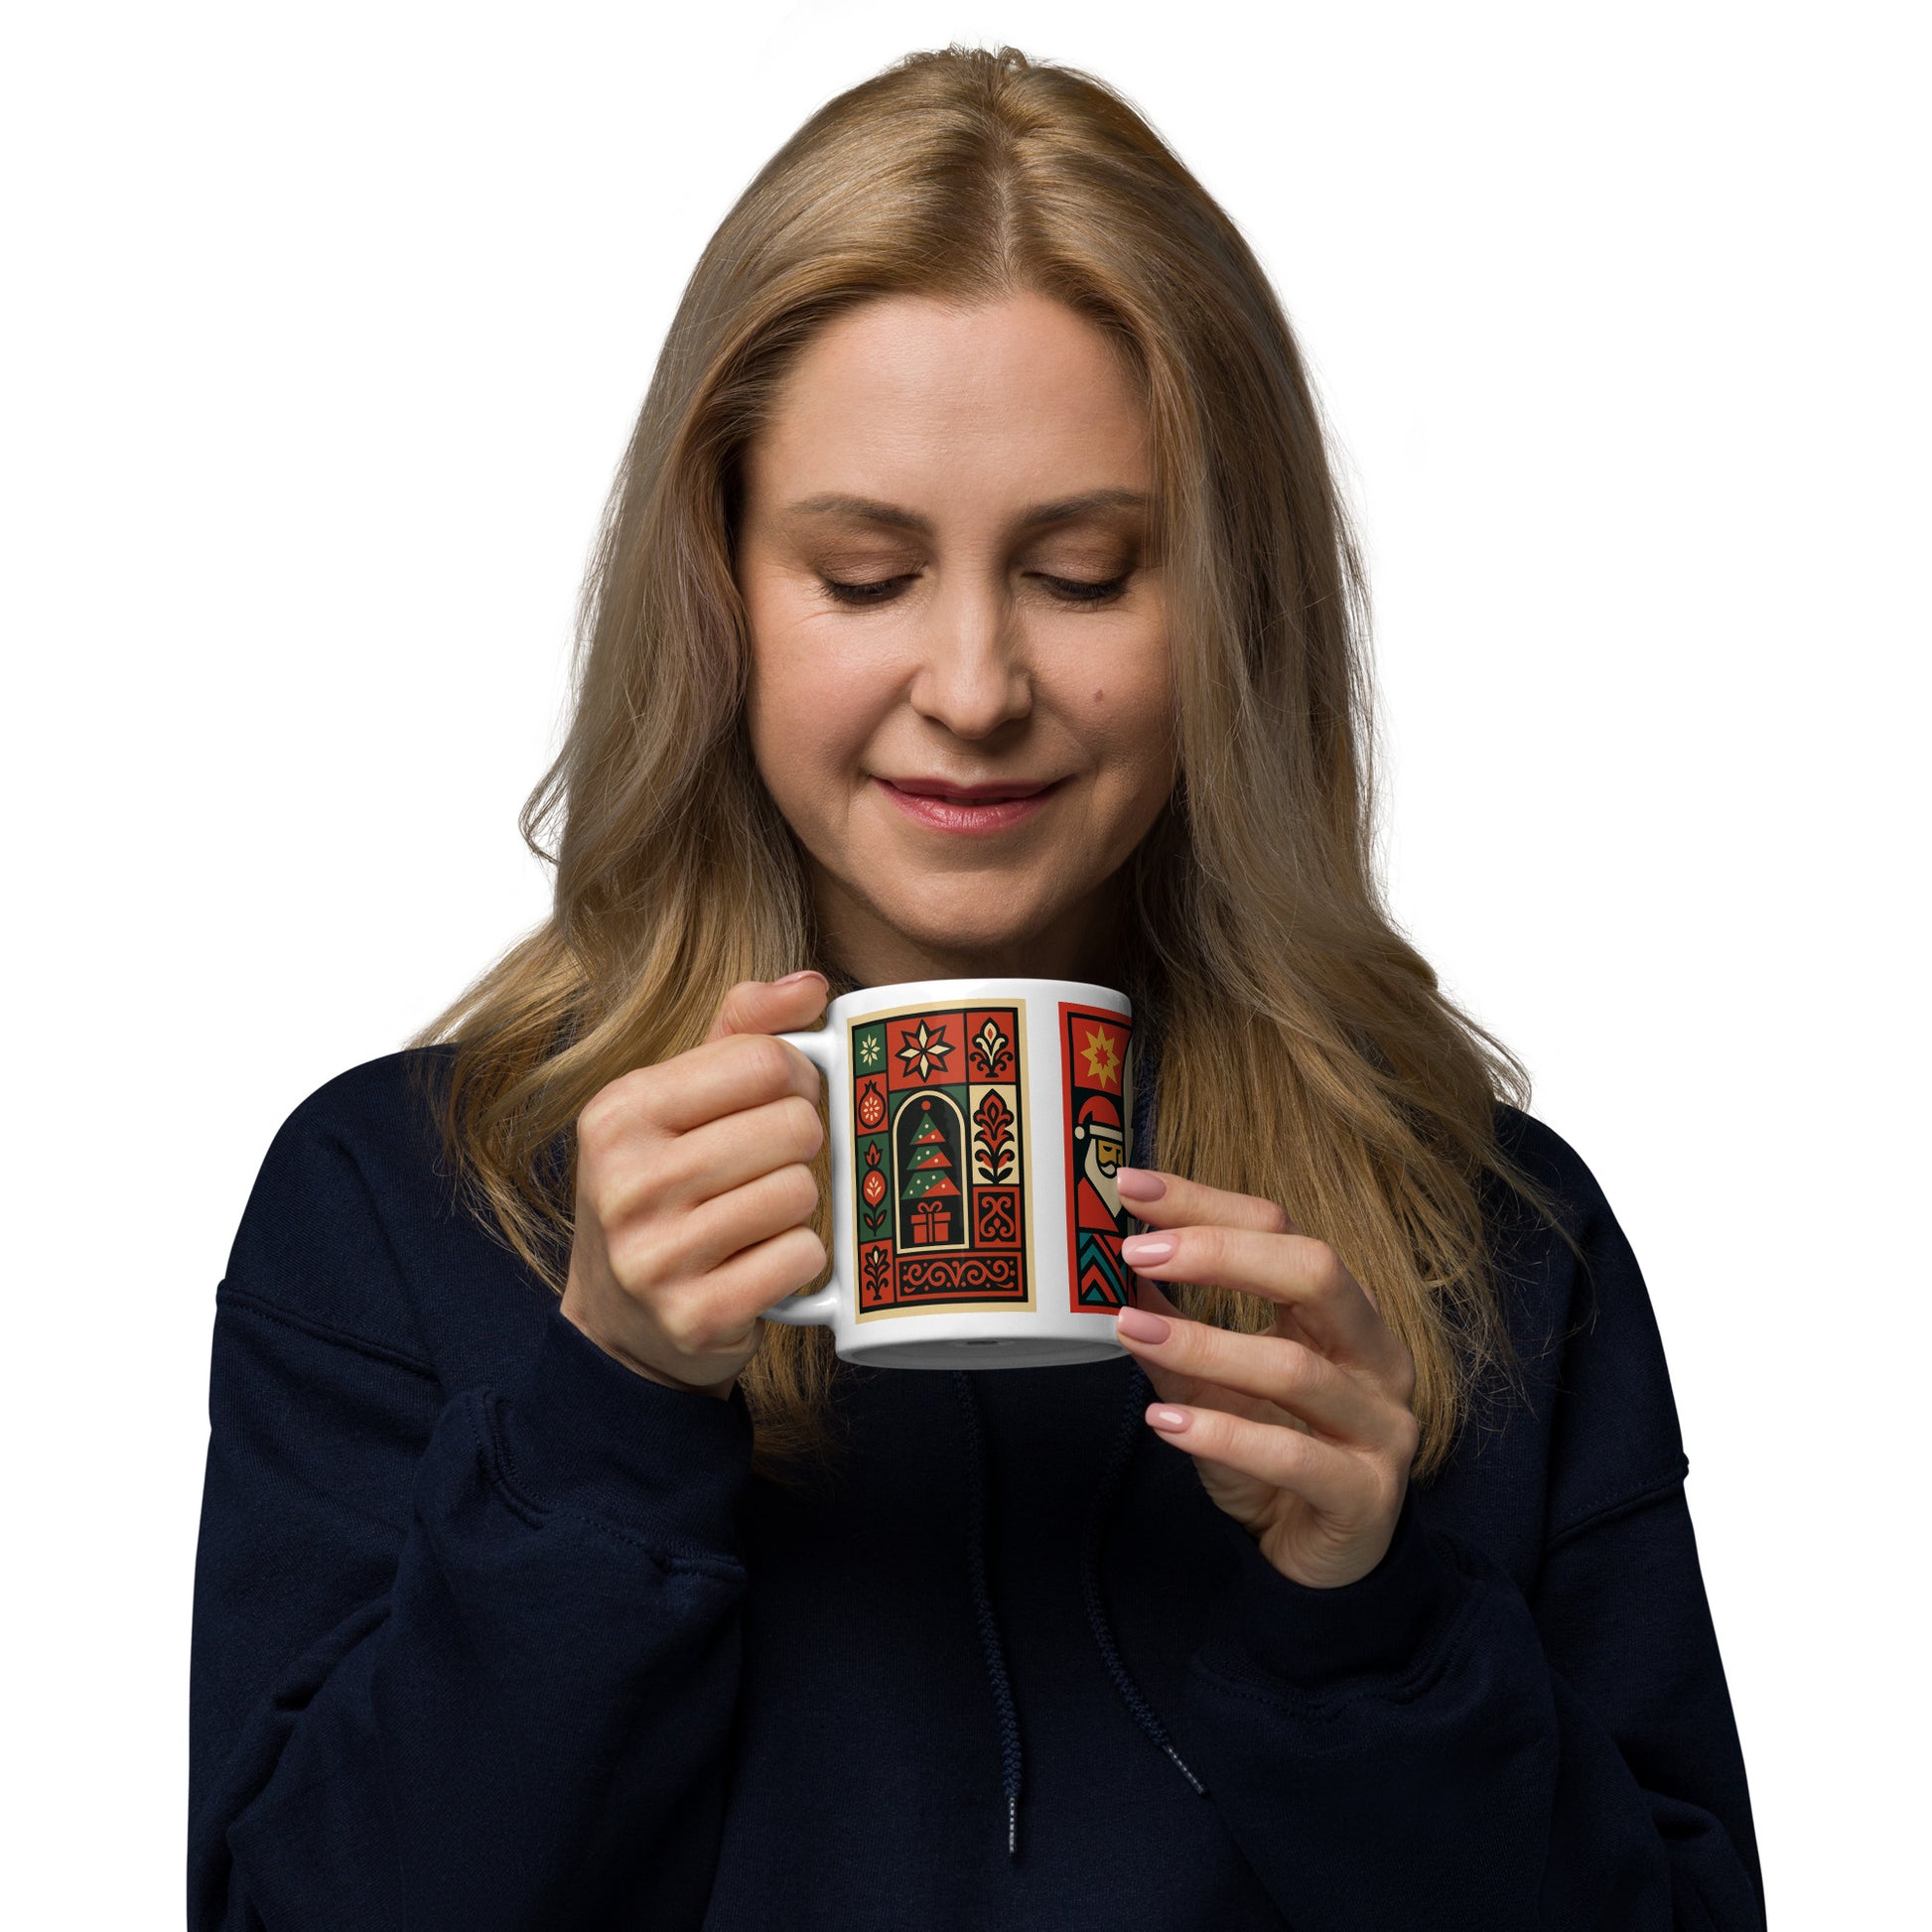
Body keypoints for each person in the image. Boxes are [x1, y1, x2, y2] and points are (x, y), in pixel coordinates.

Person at [187, 43, 1766, 1932]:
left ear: (1231, 610)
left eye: (1085, 574)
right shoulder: (405, 1207)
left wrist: (1373, 1614)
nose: (972, 681)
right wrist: (602, 1407)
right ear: (721, 593)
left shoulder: (1489, 1245)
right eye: (863, 575)